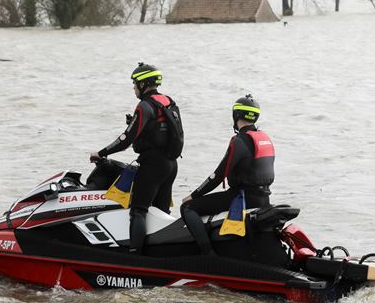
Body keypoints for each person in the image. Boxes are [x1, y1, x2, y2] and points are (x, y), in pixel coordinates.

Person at [90, 62, 181, 254]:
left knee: (138, 211)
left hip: (153, 166)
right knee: (160, 212)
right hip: (171, 165)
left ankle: (134, 255)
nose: (133, 88)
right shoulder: (168, 102)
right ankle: (162, 252)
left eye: (134, 84)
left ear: (143, 84)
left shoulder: (145, 105)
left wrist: (101, 153)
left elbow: (125, 140)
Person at [180, 94, 275, 255]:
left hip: (242, 197)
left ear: (236, 115)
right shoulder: (264, 138)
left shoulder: (240, 141)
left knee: (188, 208)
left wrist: (194, 195)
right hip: (264, 198)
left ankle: (208, 254)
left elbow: (218, 176)